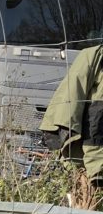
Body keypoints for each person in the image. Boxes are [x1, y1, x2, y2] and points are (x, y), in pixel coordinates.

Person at [40, 43, 103, 204]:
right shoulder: (94, 57)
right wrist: (62, 130)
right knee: (86, 206)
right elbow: (72, 96)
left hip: (94, 151)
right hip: (93, 154)